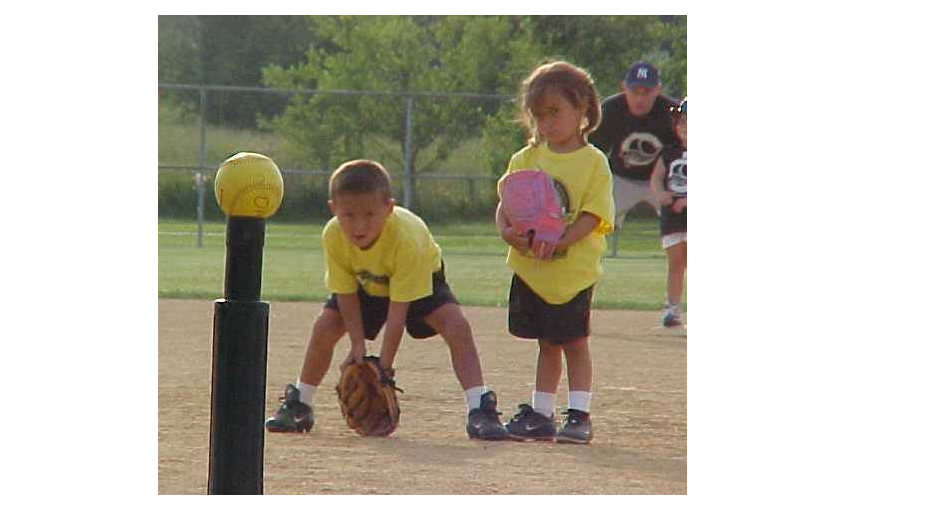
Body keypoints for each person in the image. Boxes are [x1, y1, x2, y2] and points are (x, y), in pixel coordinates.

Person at [265, 159, 508, 441]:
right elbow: (346, 295)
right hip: (366, 284)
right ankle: (300, 405)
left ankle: (479, 409)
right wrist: (358, 345)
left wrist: (383, 367)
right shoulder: (333, 235)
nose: (359, 225)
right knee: (325, 326)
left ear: (389, 208)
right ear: (333, 208)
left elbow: (398, 310)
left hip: (421, 277)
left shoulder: (405, 237)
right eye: (348, 215)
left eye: (370, 215)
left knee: (456, 326)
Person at [495, 61, 615, 444]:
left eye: (554, 112)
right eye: (538, 115)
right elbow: (506, 203)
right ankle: (541, 414)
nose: (546, 123)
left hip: (570, 272)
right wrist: (507, 232)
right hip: (534, 272)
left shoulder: (593, 162)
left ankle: (579, 415)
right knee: (546, 344)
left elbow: (593, 216)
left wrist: (561, 241)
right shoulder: (526, 158)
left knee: (575, 343)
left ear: (582, 108)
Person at [588, 61, 681, 256]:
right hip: (621, 178)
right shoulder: (610, 109)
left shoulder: (672, 113)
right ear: (624, 87)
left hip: (660, 180)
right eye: (634, 91)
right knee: (590, 218)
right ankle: (581, 261)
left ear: (657, 90)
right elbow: (593, 150)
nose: (640, 98)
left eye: (646, 92)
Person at [649, 97, 687, 327]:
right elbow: (656, 178)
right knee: (675, 263)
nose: (684, 127)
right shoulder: (668, 152)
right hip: (672, 218)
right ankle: (672, 308)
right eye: (681, 122)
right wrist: (660, 193)